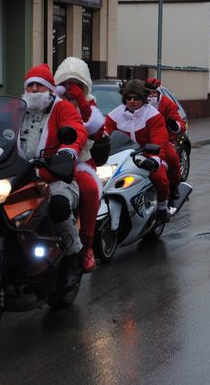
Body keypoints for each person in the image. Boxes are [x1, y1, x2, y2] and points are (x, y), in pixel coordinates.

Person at [20, 63, 88, 286]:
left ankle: (71, 259)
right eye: (30, 86)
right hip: (18, 178)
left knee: (59, 205)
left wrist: (67, 152)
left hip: (55, 176)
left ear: (50, 89)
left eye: (40, 85)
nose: (34, 90)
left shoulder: (62, 108)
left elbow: (76, 129)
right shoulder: (16, 109)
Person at [54, 56, 105, 273]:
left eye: (76, 84)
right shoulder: (51, 102)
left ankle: (87, 245)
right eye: (65, 84)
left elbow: (97, 131)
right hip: (49, 161)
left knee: (91, 189)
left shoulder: (89, 104)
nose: (70, 89)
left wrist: (82, 103)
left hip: (80, 161)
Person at [104, 79, 171, 222]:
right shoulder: (114, 115)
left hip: (146, 155)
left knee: (161, 179)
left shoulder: (153, 115)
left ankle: (162, 207)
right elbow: (104, 135)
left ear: (144, 98)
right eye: (129, 98)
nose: (132, 101)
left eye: (137, 98)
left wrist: (155, 159)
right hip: (121, 156)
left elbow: (159, 138)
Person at [144, 77, 185, 202]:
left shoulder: (167, 104)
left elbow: (180, 123)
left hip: (163, 139)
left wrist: (174, 125)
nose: (151, 96)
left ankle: (173, 186)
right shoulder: (139, 102)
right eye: (148, 93)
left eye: (154, 93)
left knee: (172, 158)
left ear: (158, 93)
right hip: (141, 140)